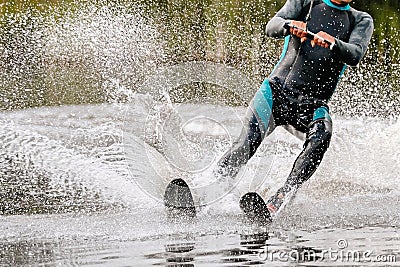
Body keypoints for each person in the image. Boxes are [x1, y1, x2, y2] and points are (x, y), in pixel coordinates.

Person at [215, 0, 374, 221]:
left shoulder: (360, 20)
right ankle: (211, 189)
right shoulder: (306, 2)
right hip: (276, 92)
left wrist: (334, 43)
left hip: (313, 104)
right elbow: (272, 25)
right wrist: (290, 25)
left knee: (322, 137)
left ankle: (280, 198)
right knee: (245, 144)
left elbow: (355, 54)